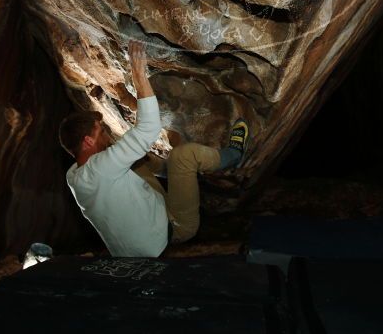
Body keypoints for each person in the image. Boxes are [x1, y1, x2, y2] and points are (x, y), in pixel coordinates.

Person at [60, 40, 249, 257]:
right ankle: (235, 155)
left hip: (140, 238)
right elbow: (148, 128)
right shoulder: (101, 169)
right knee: (184, 155)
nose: (105, 133)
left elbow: (119, 158)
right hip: (173, 227)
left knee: (136, 163)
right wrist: (139, 75)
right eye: (99, 131)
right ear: (87, 142)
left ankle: (175, 173)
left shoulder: (73, 175)